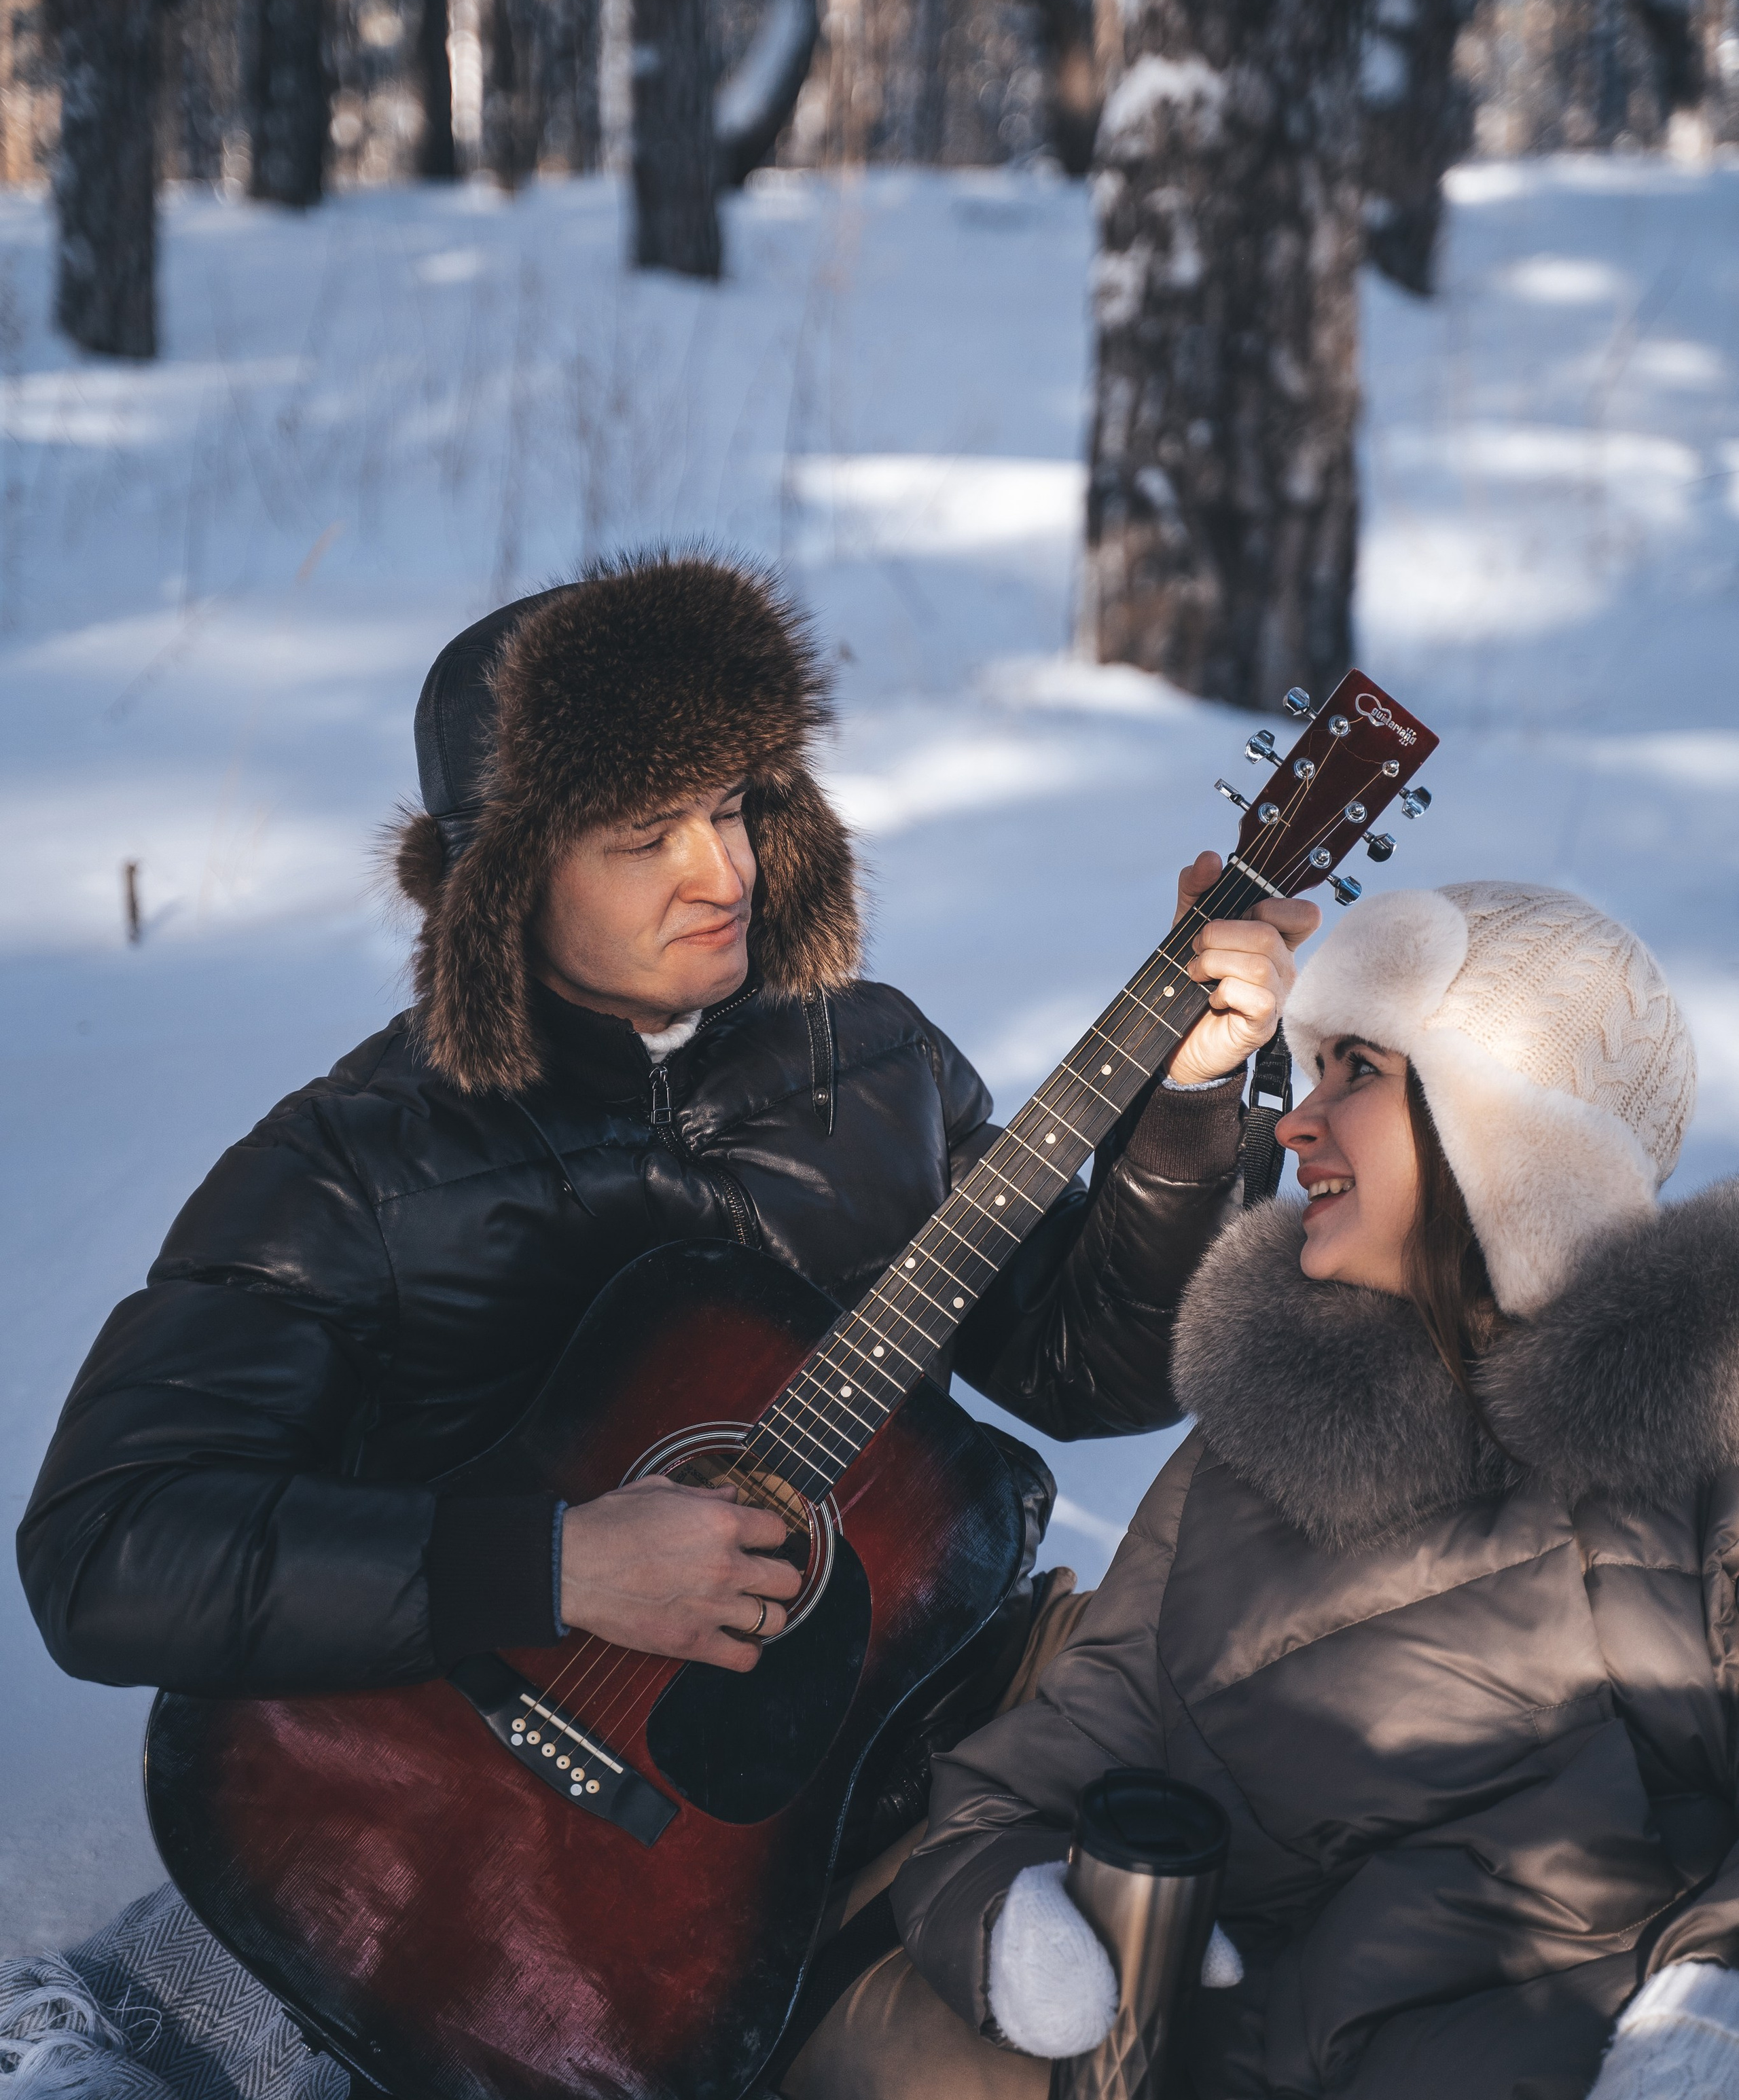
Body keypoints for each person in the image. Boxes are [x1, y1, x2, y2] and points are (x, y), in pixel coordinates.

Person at [18, 548, 1310, 1872]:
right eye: (644, 838)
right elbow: (107, 1553)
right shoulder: (356, 1166)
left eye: (733, 808)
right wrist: (556, 1566)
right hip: (469, 1845)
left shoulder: (870, 1065)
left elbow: (1094, 1368)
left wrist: (1186, 1105)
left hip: (838, 1762)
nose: (720, 873)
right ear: (504, 886)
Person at [883, 878, 1739, 2100]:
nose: (1290, 1120)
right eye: (1304, 1064)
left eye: (1358, 1071)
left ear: (1506, 1134)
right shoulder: (1251, 1458)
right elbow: (1033, 1772)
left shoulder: (1697, 1410)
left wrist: (1704, 2025)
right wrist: (1000, 1912)